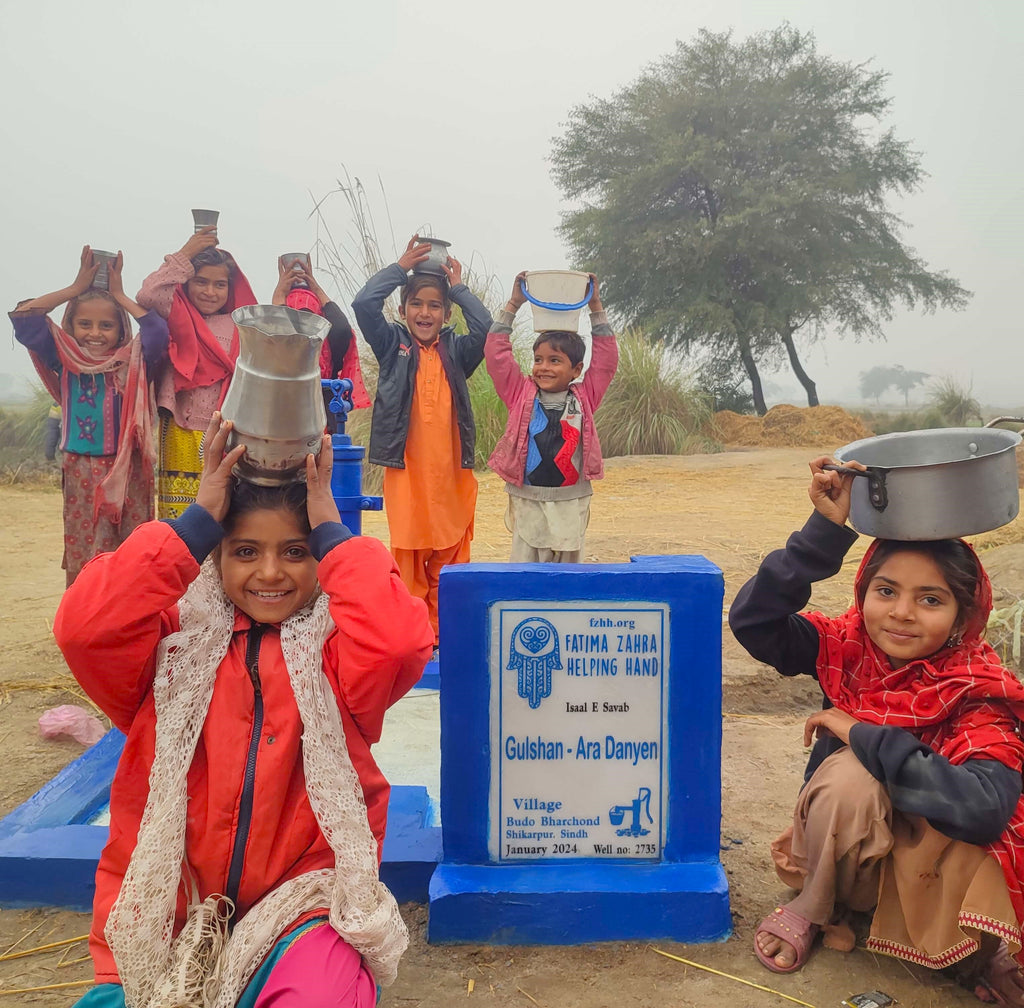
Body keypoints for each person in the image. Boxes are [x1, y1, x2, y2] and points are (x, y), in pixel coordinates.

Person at [54, 414, 433, 1008]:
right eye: (245, 551)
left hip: (302, 911)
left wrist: (332, 529)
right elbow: (83, 626)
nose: (271, 571)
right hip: (172, 908)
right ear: (214, 557)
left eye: (296, 551)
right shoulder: (168, 653)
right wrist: (194, 524)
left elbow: (398, 641)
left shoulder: (337, 661)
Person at [728, 456, 1024, 1006]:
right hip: (849, 859)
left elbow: (983, 809)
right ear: (863, 591)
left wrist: (858, 731)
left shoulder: (980, 690)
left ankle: (970, 951)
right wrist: (823, 532)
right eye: (885, 591)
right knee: (849, 782)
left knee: (999, 824)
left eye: (930, 599)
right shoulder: (846, 649)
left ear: (964, 615)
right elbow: (754, 621)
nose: (901, 614)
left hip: (924, 876)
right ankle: (815, 907)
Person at [352, 236, 493, 649]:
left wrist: (459, 287)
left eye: (434, 306)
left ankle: (442, 632)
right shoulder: (392, 345)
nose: (425, 312)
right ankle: (415, 636)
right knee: (410, 554)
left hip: (450, 473)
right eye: (416, 304)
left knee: (448, 551)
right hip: (408, 472)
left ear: (447, 314)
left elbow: (485, 329)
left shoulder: (457, 350)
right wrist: (399, 267)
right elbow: (363, 305)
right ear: (402, 310)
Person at [11, 247, 166, 585]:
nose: (95, 333)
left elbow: (157, 333)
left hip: (129, 468)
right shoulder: (63, 357)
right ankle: (80, 614)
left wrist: (120, 294)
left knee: (128, 547)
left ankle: (125, 614)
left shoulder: (133, 361)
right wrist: (74, 289)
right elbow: (24, 317)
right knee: (83, 547)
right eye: (85, 323)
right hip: (80, 466)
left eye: (106, 325)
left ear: (121, 329)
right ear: (71, 324)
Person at [485, 271, 618, 562]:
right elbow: (496, 357)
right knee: (525, 571)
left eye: (555, 361)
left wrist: (595, 306)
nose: (543, 367)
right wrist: (514, 304)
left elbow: (606, 362)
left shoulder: (584, 397)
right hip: (528, 499)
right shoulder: (520, 393)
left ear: (576, 369)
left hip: (571, 501)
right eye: (538, 359)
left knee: (568, 575)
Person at [136, 225, 256, 518]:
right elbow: (148, 294)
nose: (210, 291)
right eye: (200, 282)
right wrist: (185, 253)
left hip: (225, 433)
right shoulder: (175, 313)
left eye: (220, 284)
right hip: (179, 427)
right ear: (186, 283)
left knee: (220, 510)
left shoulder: (241, 324)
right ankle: (180, 563)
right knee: (179, 514)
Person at [271, 257, 369, 431]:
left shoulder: (331, 344)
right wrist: (279, 296)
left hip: (320, 422)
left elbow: (342, 329)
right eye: (299, 316)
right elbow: (286, 341)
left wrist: (314, 288)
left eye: (312, 315)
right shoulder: (273, 343)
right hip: (285, 420)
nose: (306, 328)